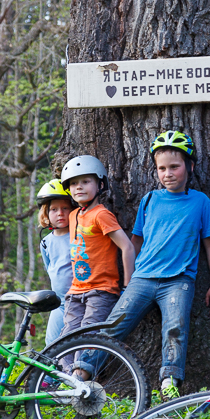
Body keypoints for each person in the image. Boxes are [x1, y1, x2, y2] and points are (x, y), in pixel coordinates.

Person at [102, 131, 210, 400]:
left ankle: (169, 381)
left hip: (178, 281)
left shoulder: (200, 202)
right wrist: (129, 281)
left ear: (189, 167)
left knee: (175, 328)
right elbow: (135, 243)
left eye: (174, 167)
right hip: (143, 279)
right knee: (114, 325)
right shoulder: (149, 201)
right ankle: (82, 372)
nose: (167, 173)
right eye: (161, 168)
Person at [58, 155, 135, 378]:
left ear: (100, 184)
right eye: (73, 183)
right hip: (75, 291)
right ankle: (67, 381)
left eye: (85, 181)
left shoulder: (101, 214)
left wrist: (128, 283)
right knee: (67, 338)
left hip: (100, 291)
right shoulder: (73, 215)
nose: (78, 187)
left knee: (89, 338)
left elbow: (127, 247)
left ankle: (80, 383)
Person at [36, 179, 75, 345]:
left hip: (80, 301)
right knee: (51, 345)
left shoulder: (78, 236)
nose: (60, 213)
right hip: (59, 304)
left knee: (76, 343)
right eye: (54, 209)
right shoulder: (46, 242)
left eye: (65, 208)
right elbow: (50, 268)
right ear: (46, 214)